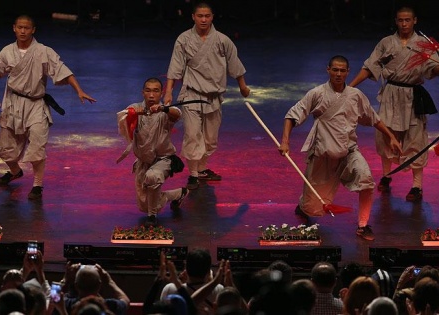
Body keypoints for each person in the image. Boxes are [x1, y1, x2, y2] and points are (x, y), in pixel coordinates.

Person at [279, 55, 402, 241]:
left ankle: (363, 225)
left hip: (349, 151)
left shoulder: (355, 95)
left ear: (348, 72)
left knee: (366, 181)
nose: (338, 74)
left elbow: (373, 118)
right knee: (312, 208)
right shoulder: (317, 93)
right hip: (324, 154)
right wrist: (285, 141)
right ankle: (303, 204)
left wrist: (391, 136)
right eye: (335, 70)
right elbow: (292, 116)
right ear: (328, 70)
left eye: (342, 70)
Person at [0, 14, 96, 200]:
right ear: (14, 29)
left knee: (37, 146)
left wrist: (79, 90)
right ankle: (15, 171)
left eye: (27, 28)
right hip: (13, 103)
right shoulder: (7, 51)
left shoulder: (43, 51)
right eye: (20, 27)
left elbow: (62, 70)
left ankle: (37, 185)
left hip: (36, 105)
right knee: (5, 149)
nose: (23, 31)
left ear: (33, 30)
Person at [349, 6, 439, 202]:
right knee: (385, 135)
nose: (404, 24)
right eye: (400, 20)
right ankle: (387, 175)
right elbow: (369, 66)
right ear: (396, 21)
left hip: (413, 95)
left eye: (408, 20)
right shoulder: (386, 43)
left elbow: (433, 69)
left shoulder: (425, 44)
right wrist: (350, 87)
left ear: (415, 20)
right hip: (390, 94)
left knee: (415, 139)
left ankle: (417, 186)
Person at [163, 2, 250, 190]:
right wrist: (169, 91)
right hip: (192, 94)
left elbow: (234, 63)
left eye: (207, 16)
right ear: (193, 17)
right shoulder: (184, 39)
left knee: (210, 139)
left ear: (212, 17)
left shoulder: (222, 40)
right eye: (200, 16)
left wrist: (243, 86)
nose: (204, 19)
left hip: (214, 96)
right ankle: (193, 174)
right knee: (193, 135)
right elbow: (176, 66)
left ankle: (201, 169)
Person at [117, 78, 188, 227]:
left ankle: (152, 217)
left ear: (161, 94)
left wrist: (164, 109)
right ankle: (178, 194)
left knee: (153, 176)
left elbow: (177, 114)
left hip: (163, 160)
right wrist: (133, 114)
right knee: (144, 204)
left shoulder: (165, 112)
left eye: (155, 91)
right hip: (144, 161)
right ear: (143, 93)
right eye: (148, 90)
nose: (151, 95)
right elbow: (122, 116)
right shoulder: (135, 107)